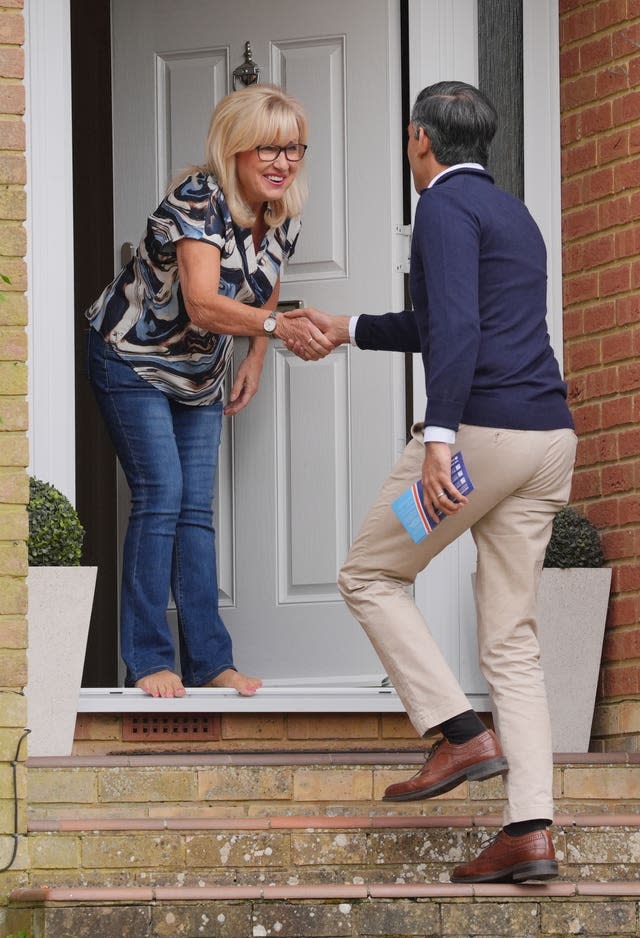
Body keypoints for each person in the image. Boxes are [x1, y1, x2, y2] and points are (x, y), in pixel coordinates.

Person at [285, 81, 577, 883]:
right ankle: (529, 832)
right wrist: (347, 329)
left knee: (372, 573)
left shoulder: (443, 210)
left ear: (421, 139)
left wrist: (439, 441)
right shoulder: (512, 214)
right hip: (546, 445)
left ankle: (456, 732)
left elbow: (459, 329)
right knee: (512, 641)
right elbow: (444, 320)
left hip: (476, 448)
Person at [86, 84, 331, 700]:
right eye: (268, 150)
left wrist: (257, 355)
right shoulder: (198, 198)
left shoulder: (284, 210)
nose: (283, 163)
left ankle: (207, 662)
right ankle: (146, 660)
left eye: (293, 148)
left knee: (196, 507)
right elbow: (200, 302)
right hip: (132, 357)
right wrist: (275, 329)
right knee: (161, 495)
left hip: (198, 372)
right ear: (236, 149)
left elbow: (267, 281)